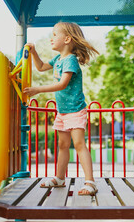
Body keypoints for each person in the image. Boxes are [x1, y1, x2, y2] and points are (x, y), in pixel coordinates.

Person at [23, 22, 99, 196]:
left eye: (55, 34)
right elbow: (41, 67)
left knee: (79, 144)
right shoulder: (58, 59)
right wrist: (34, 52)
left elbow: (62, 84)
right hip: (63, 112)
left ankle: (90, 182)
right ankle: (59, 178)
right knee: (63, 145)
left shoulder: (70, 60)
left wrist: (37, 90)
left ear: (67, 39)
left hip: (75, 110)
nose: (51, 38)